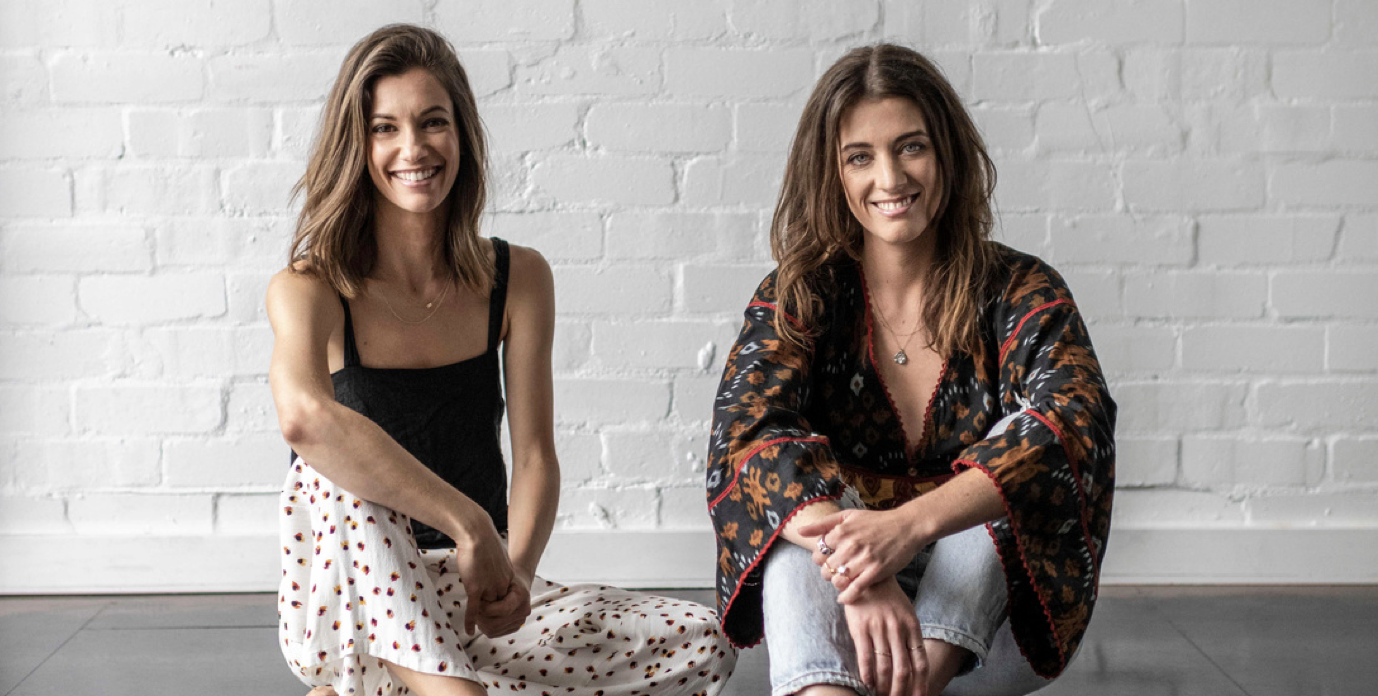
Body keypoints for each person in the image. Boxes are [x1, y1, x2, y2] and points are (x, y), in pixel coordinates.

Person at [267, 24, 733, 696]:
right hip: (354, 594)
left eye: (433, 122)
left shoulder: (519, 277)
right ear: (355, 146)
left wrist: (514, 575)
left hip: (471, 588)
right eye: (384, 128)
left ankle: (405, 684)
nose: (413, 148)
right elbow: (304, 418)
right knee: (331, 466)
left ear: (462, 134)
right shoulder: (310, 286)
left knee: (701, 640)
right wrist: (470, 523)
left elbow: (536, 455)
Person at [705, 44, 1116, 696]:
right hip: (850, 607)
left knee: (1007, 485)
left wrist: (906, 528)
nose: (890, 177)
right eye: (860, 157)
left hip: (990, 629)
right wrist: (864, 573)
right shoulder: (800, 294)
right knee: (790, 534)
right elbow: (746, 434)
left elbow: (1073, 419)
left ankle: (916, 680)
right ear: (832, 174)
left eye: (912, 147)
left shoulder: (1021, 288)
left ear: (947, 152)